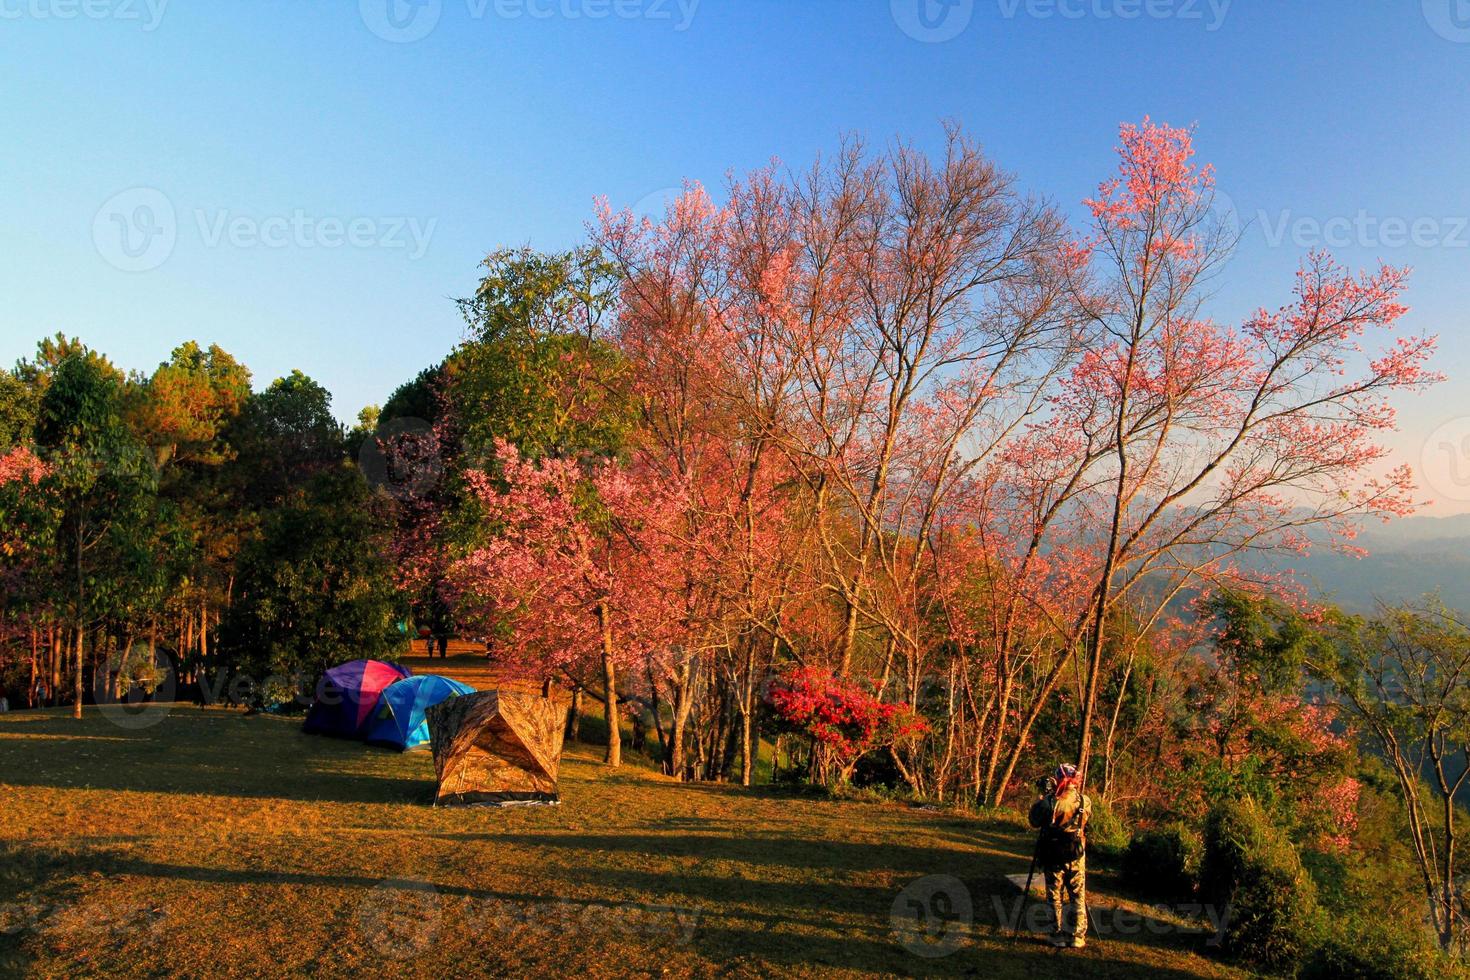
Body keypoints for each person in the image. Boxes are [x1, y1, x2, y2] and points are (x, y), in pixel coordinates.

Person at [1028, 762, 1091, 949]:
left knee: (1054, 895)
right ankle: (1077, 936)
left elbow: (1034, 821)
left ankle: (1055, 934)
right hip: (1076, 854)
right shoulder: (1085, 800)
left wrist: (1042, 798)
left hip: (1053, 854)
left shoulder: (1050, 803)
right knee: (1078, 895)